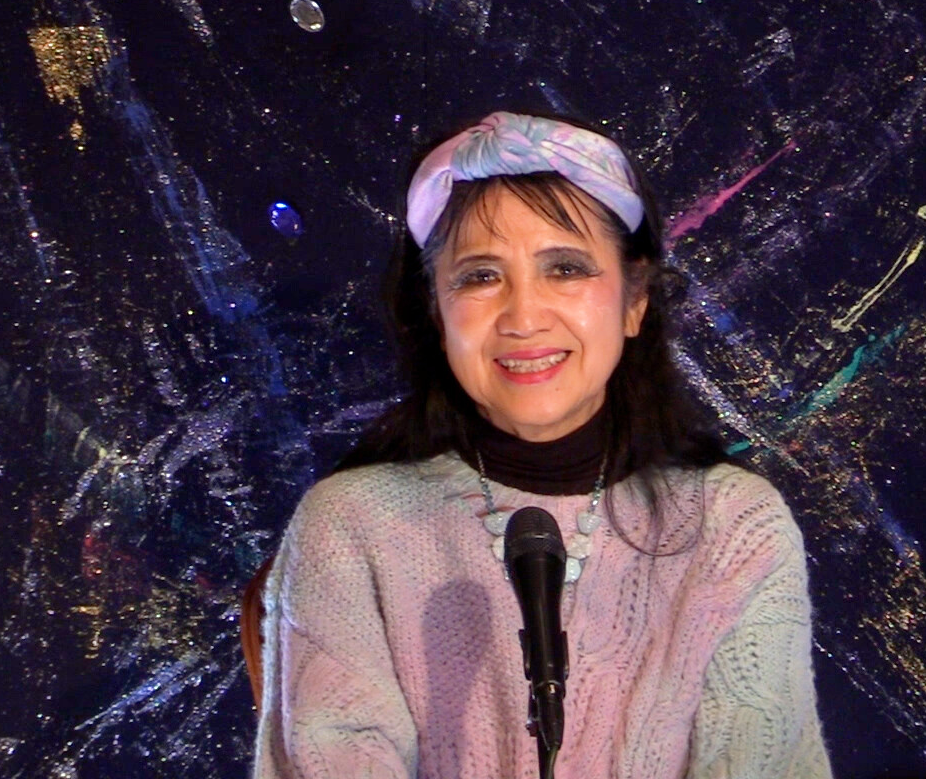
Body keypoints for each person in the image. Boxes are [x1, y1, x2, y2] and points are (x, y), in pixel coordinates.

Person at [249, 111, 832, 779]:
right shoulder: (350, 528)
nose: (524, 317)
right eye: (481, 276)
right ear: (437, 311)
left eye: (566, 268)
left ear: (635, 300)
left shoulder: (733, 527)